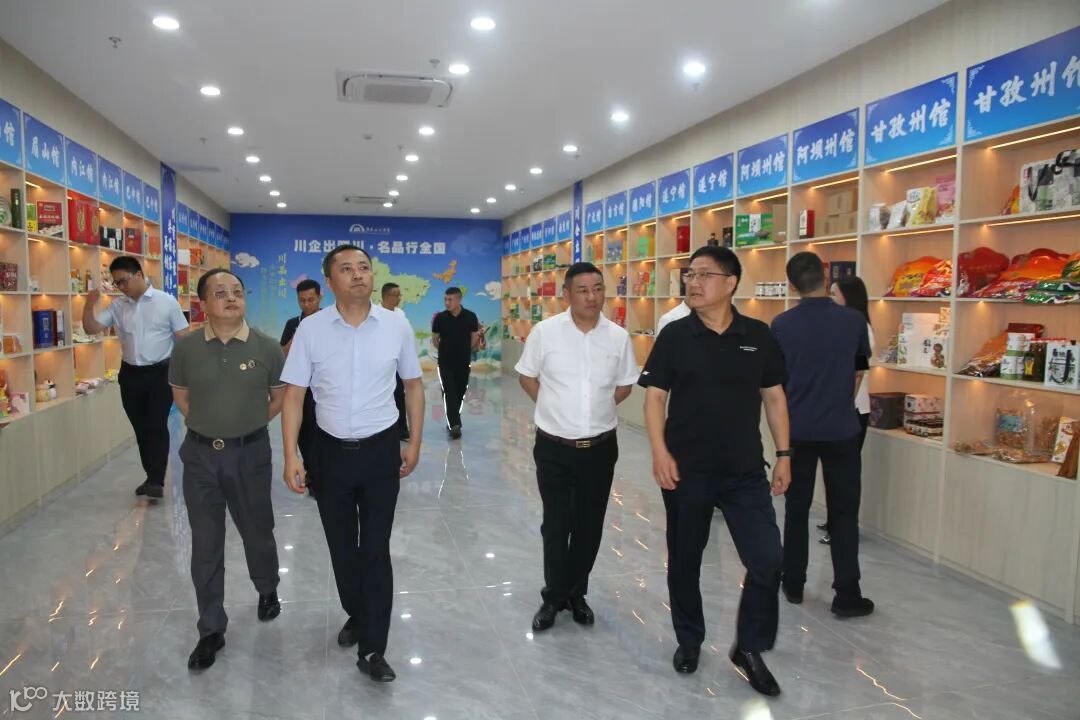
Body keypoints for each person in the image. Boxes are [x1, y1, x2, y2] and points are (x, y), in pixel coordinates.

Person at [639, 246, 791, 697]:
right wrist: (659, 451)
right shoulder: (675, 334)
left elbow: (774, 397)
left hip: (745, 471)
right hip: (687, 471)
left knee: (767, 559)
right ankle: (689, 639)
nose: (693, 282)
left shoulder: (758, 335)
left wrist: (785, 454)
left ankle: (749, 646)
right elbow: (654, 397)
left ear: (731, 283)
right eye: (689, 274)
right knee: (685, 560)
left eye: (704, 274)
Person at [280, 245, 424, 684]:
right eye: (347, 269)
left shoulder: (396, 326)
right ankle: (357, 612)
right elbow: (294, 395)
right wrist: (290, 454)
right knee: (343, 550)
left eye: (364, 267)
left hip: (381, 451)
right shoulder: (310, 329)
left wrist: (414, 442)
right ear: (330, 281)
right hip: (329, 454)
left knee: (375, 550)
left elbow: (413, 386)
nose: (358, 274)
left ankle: (373, 647)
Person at [169, 268, 286, 670]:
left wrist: (244, 427)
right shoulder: (186, 348)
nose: (232, 298)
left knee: (258, 531)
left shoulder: (267, 347)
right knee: (206, 542)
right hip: (200, 457)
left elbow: (278, 398)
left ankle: (267, 587)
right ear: (204, 303)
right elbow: (181, 396)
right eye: (220, 293)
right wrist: (210, 428)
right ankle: (211, 628)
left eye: (237, 291)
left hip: (250, 455)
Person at [515, 262, 639, 633]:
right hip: (554, 446)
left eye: (598, 288)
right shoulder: (546, 332)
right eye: (583, 290)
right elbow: (527, 376)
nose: (591, 297)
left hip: (600, 448)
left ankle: (576, 593)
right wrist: (553, 409)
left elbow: (625, 385)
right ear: (567, 294)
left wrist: (596, 410)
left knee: (589, 526)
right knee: (556, 524)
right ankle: (554, 597)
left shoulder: (618, 337)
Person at [771, 252, 874, 620]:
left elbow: (775, 384)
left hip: (797, 430)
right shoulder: (853, 321)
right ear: (825, 276)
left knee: (796, 508)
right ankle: (847, 592)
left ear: (791, 286)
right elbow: (859, 371)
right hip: (841, 429)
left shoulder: (781, 325)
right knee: (844, 511)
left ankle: (793, 582)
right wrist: (839, 401)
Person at [82, 256, 188, 498]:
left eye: (123, 281)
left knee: (156, 424)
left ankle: (156, 480)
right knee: (140, 427)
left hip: (161, 372)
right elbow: (91, 328)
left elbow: (183, 337)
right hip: (130, 374)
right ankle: (151, 475)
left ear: (139, 275)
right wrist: (88, 305)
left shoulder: (166, 301)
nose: (120, 287)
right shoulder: (118, 306)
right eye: (116, 283)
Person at [819, 276, 874, 546]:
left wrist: (842, 403)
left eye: (834, 294)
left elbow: (858, 373)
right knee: (834, 473)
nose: (830, 299)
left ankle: (844, 527)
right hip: (837, 409)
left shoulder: (860, 327)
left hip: (852, 410)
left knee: (846, 476)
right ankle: (834, 522)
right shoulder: (841, 325)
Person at [280, 279, 323, 496]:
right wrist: (298, 335)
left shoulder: (329, 321)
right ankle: (312, 477)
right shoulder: (292, 324)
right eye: (302, 301)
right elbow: (282, 354)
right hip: (300, 390)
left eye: (311, 300)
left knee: (324, 434)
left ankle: (325, 476)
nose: (306, 304)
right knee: (305, 435)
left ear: (320, 297)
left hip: (324, 388)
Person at [431, 287, 479, 439]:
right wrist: (445, 351)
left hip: (463, 362)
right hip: (445, 362)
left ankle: (453, 420)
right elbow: (435, 339)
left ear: (459, 300)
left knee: (459, 391)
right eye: (445, 299)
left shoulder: (470, 316)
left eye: (450, 299)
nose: (447, 302)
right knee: (449, 391)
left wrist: (465, 350)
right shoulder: (440, 318)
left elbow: (474, 337)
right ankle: (455, 425)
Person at [381, 282, 410, 441]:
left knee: (399, 394)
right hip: (380, 364)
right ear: (387, 296)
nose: (399, 298)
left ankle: (402, 429)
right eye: (397, 295)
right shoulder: (375, 313)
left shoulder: (400, 314)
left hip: (397, 363)